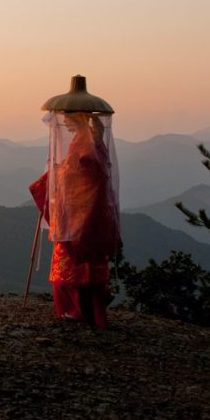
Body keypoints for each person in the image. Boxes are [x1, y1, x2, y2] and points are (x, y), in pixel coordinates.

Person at [30, 112, 121, 328]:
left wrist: (58, 175)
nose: (65, 123)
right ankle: (83, 311)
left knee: (73, 262)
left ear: (77, 117)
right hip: (84, 212)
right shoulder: (88, 141)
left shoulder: (87, 143)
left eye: (68, 119)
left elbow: (86, 175)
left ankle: (77, 310)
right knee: (81, 261)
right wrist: (61, 172)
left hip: (80, 213)